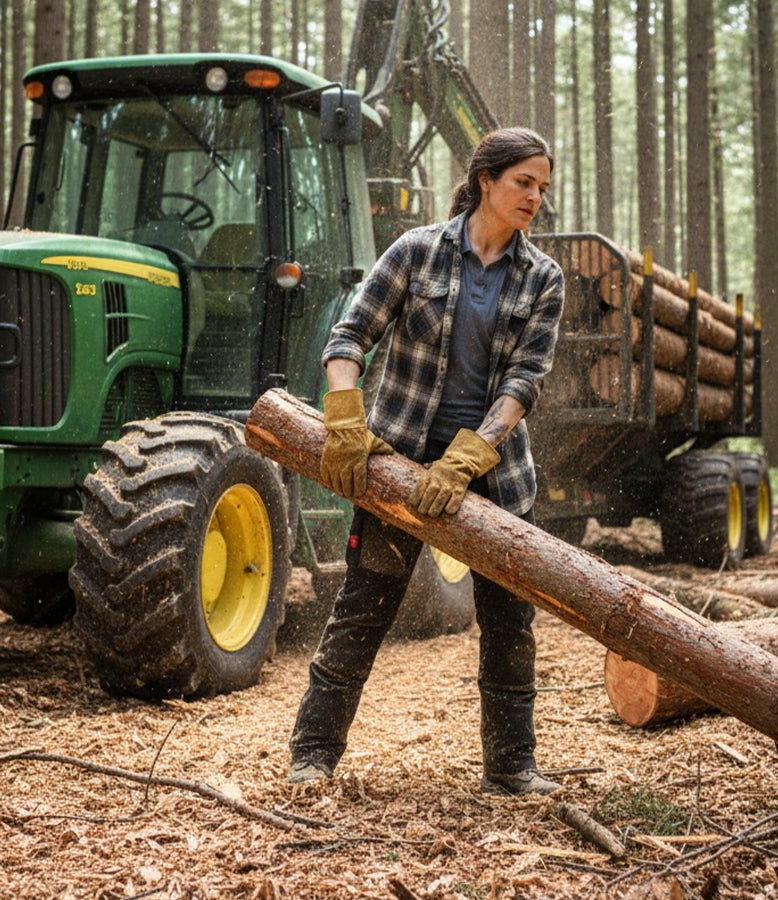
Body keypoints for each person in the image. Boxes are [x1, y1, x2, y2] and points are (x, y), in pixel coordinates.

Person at [288, 127, 565, 796]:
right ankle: (313, 756)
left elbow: (525, 379)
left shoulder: (544, 277)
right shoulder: (415, 252)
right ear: (484, 181)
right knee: (363, 608)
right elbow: (350, 335)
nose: (534, 197)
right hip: (397, 472)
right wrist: (346, 415)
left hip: (494, 479)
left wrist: (473, 453)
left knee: (508, 623)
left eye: (542, 188)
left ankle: (512, 769)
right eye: (524, 182)